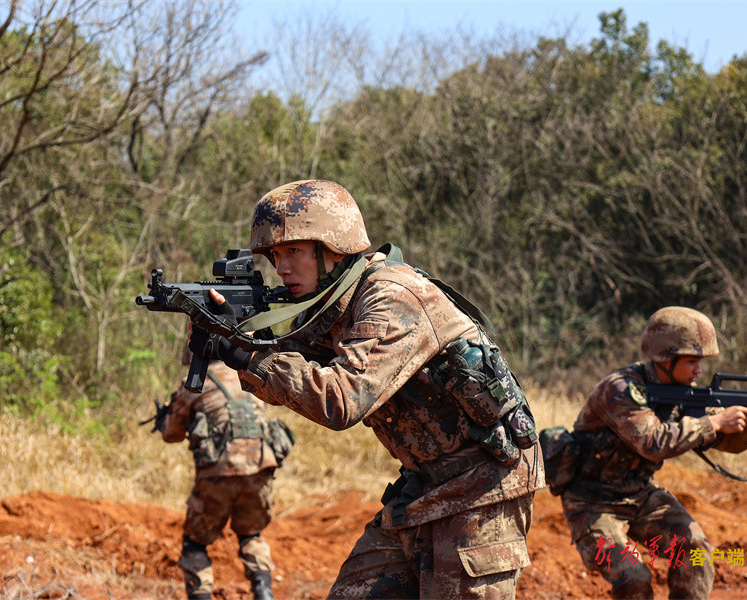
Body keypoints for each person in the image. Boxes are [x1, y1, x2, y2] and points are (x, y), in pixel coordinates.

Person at [188, 179, 545, 599]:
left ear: (334, 247)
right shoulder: (333, 302)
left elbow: (340, 400)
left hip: (484, 489)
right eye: (275, 255)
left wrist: (245, 356)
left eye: (294, 251)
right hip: (423, 485)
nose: (281, 268)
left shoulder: (391, 296)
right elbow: (291, 370)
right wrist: (236, 337)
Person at [551, 306, 747, 600]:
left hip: (640, 495)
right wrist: (715, 421)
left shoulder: (682, 392)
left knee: (695, 552)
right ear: (665, 358)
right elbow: (653, 442)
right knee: (633, 577)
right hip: (592, 504)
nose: (699, 370)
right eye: (692, 361)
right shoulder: (621, 389)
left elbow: (721, 441)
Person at [159, 351, 293, 600]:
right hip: (260, 469)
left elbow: (171, 433)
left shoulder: (196, 383)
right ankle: (264, 594)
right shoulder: (248, 376)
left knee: (195, 544)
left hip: (219, 473)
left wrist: (163, 418)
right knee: (251, 535)